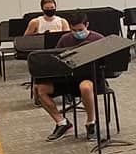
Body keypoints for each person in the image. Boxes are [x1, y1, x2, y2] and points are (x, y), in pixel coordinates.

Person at [36, 10, 104, 142]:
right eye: (73, 30)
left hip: (91, 78)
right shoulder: (65, 39)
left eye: (80, 30)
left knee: (85, 87)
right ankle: (62, 123)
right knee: (41, 89)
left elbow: (107, 64)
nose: (77, 33)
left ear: (87, 25)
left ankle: (91, 123)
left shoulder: (98, 38)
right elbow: (55, 60)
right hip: (69, 79)